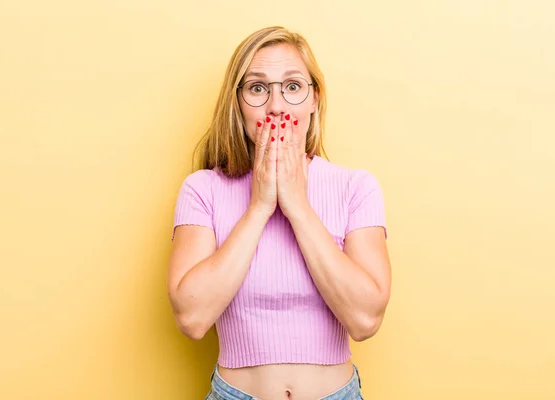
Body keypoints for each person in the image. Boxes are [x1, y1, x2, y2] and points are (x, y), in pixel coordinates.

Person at [167, 26, 392, 400]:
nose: (276, 107)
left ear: (314, 99)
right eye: (257, 88)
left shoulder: (356, 187)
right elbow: (192, 318)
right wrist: (258, 207)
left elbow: (366, 319)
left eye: (292, 87)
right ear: (237, 103)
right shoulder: (202, 189)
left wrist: (298, 206)